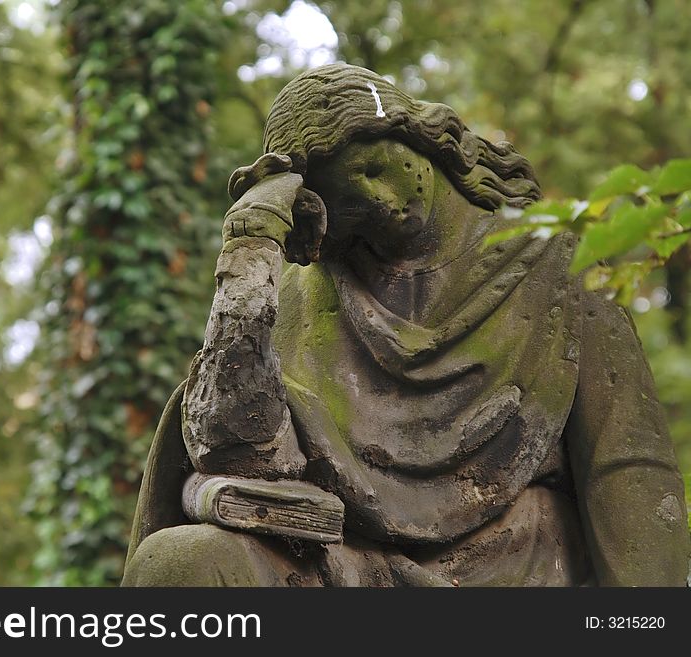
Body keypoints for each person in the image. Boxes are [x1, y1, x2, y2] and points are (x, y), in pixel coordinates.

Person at [121, 63, 690, 586]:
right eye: (349, 197)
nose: (382, 198)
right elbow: (239, 457)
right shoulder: (301, 293)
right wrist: (250, 251)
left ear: (417, 136)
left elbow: (625, 466)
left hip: (517, 563)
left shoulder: (557, 264)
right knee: (180, 562)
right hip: (347, 562)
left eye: (377, 168)